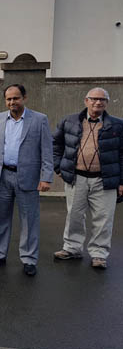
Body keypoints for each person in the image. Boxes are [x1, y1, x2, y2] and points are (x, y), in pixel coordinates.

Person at [0, 84, 53, 277]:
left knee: (29, 220)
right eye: (9, 99)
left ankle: (29, 259)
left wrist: (46, 177)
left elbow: (47, 151)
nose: (12, 102)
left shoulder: (39, 119)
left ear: (24, 98)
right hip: (2, 175)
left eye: (16, 98)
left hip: (27, 177)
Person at [52, 88, 123, 269]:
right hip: (77, 178)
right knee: (74, 215)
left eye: (102, 99)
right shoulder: (69, 121)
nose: (98, 102)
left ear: (107, 103)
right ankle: (72, 248)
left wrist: (121, 181)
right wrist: (58, 167)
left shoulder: (118, 125)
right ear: (86, 101)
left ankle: (99, 254)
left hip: (105, 180)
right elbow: (55, 145)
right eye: (94, 99)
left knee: (103, 218)